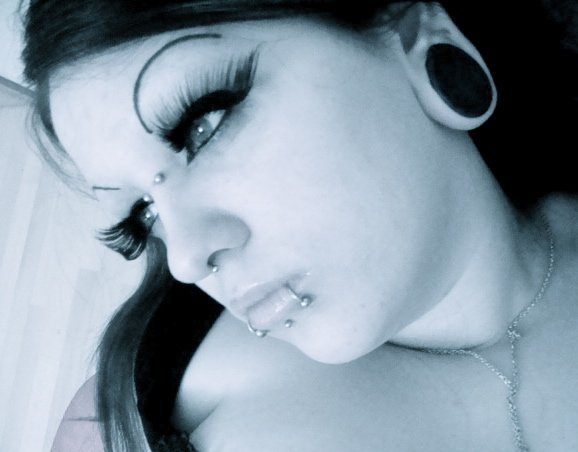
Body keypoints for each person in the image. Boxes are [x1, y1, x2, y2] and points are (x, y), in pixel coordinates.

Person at [21, 0, 577, 451]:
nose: (187, 258)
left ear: (415, 41)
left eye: (203, 127)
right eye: (143, 215)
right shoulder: (117, 421)